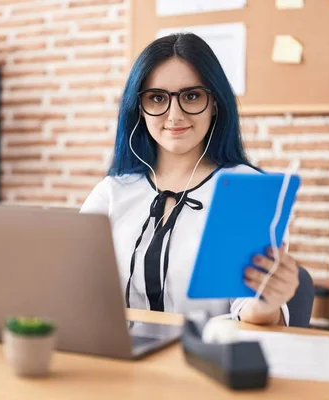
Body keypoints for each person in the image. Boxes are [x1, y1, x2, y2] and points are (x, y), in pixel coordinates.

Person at [80, 33, 300, 326]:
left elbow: (251, 310)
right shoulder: (111, 193)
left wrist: (267, 300)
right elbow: (74, 288)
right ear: (139, 108)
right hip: (120, 361)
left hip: (208, 362)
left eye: (191, 96)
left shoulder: (246, 191)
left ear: (215, 104)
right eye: (157, 98)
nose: (174, 115)